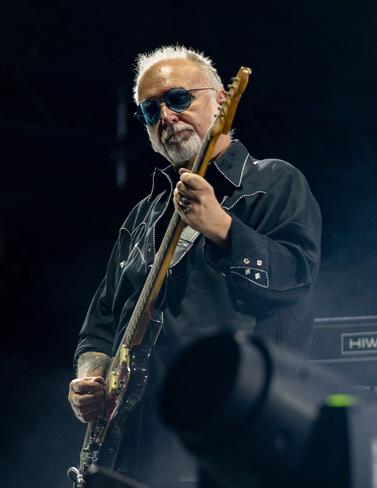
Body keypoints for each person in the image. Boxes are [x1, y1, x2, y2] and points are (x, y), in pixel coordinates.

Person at [67, 45, 321, 487]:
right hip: (137, 449)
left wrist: (222, 227)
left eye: (179, 98)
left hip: (231, 439)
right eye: (150, 110)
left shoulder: (273, 183)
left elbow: (296, 277)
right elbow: (101, 323)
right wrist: (91, 377)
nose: (166, 116)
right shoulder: (141, 218)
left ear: (222, 100)